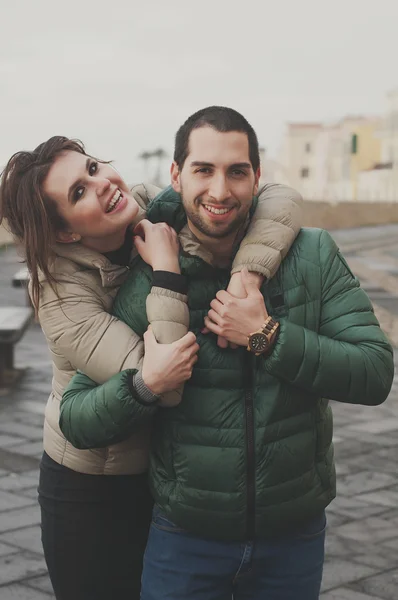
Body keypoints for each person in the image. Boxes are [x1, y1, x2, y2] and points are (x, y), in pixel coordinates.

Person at [62, 106, 395, 600]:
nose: (220, 191)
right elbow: (77, 418)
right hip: (183, 538)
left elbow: (375, 373)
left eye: (237, 172)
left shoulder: (314, 254)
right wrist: (144, 385)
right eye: (203, 170)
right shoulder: (150, 269)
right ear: (176, 175)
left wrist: (267, 335)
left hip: (294, 534)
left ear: (257, 178)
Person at [0, 134, 303, 600]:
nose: (101, 185)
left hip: (166, 474)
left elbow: (278, 196)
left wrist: (248, 272)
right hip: (93, 486)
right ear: (65, 233)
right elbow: (163, 377)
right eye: (78, 192)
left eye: (93, 168)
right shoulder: (60, 294)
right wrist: (165, 269)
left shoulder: (147, 206)